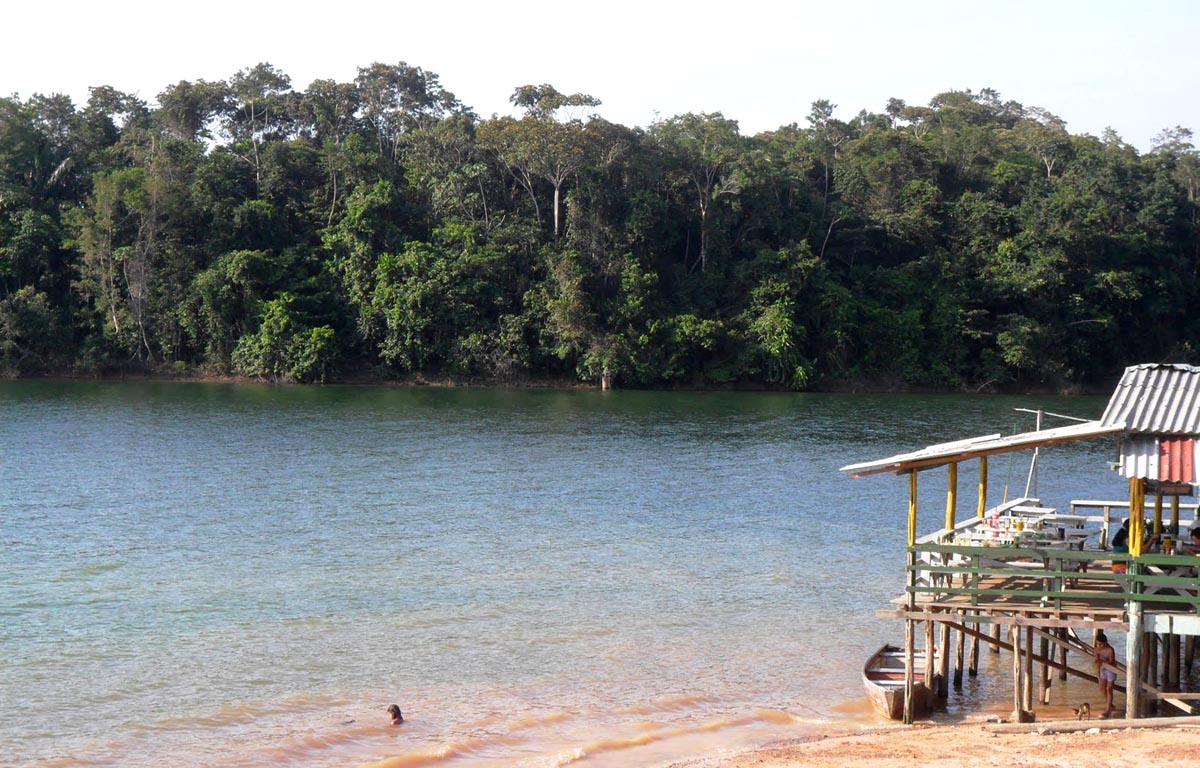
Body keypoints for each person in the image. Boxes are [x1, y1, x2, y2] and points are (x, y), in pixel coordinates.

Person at [1094, 631, 1118, 719]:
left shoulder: (1110, 650)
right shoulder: (1096, 649)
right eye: (1097, 644)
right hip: (1103, 669)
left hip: (1111, 669)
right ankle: (1110, 704)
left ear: (1105, 643)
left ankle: (1108, 710)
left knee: (1109, 688)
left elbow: (1111, 661)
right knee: (1102, 687)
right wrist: (1098, 675)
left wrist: (1103, 662)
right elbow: (1096, 661)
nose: (1099, 646)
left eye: (1100, 644)